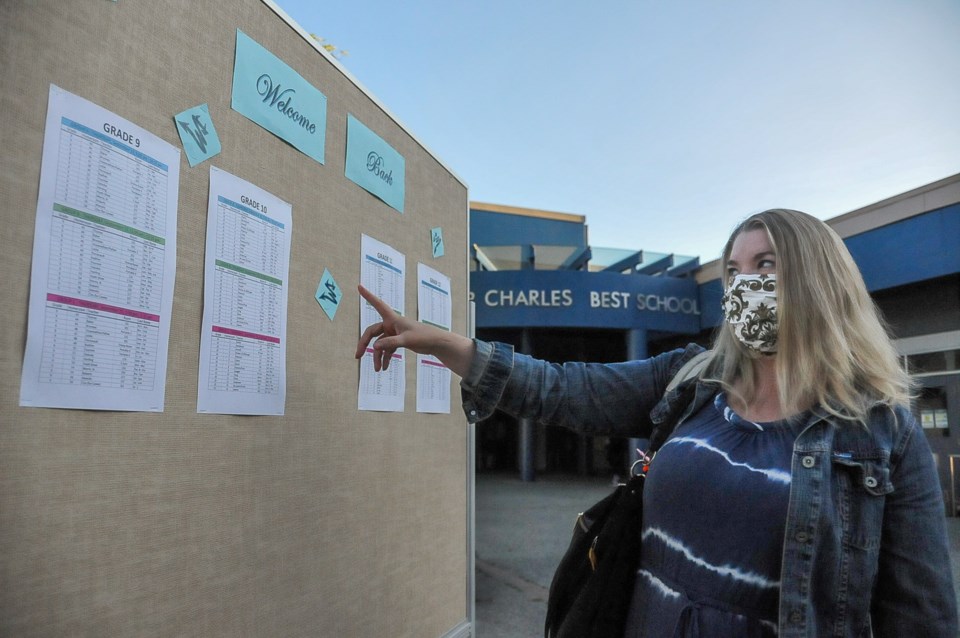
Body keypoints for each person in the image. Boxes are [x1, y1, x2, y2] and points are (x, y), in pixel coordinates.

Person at [355, 209, 958, 637]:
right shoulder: (692, 380)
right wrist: (447, 344)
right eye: (734, 270)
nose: (745, 284)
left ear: (820, 282)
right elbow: (565, 389)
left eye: (767, 264)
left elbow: (921, 617)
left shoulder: (884, 438)